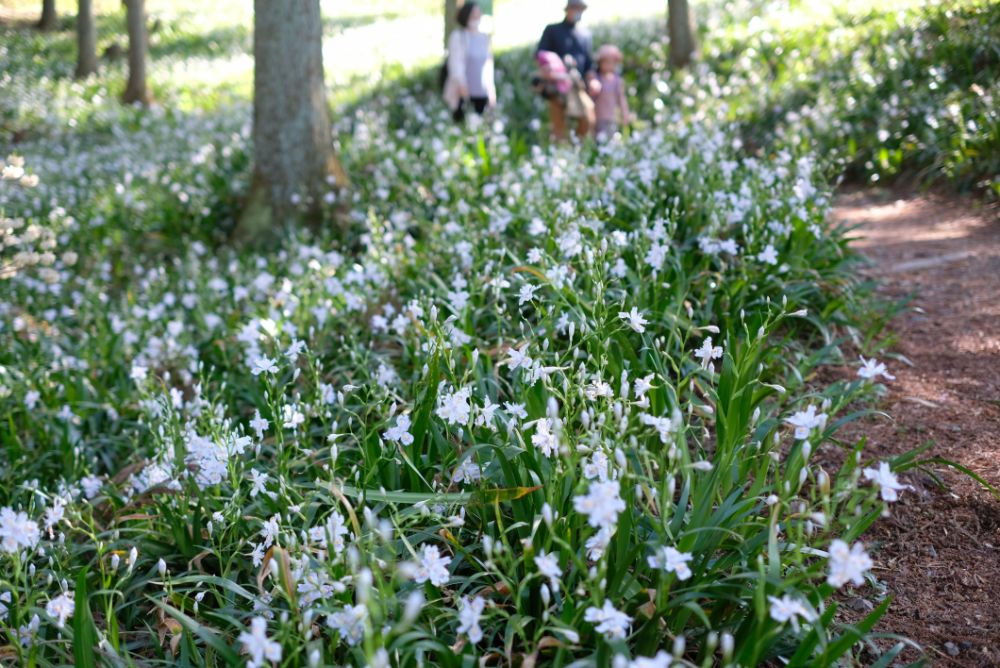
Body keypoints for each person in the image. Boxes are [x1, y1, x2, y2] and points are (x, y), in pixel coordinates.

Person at [536, 0, 597, 140]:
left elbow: (589, 63)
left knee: (588, 117)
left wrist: (592, 80)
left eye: (581, 9)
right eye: (575, 8)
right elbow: (540, 55)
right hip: (557, 86)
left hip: (577, 85)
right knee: (559, 126)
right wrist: (550, 72)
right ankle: (561, 154)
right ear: (568, 9)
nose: (578, 12)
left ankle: (578, 148)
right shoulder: (552, 30)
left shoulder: (585, 35)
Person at [443, 2, 496, 123]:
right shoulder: (458, 37)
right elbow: (455, 63)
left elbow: (488, 65)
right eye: (473, 13)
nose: (477, 16)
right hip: (464, 91)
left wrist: (491, 91)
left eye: (478, 13)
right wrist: (461, 84)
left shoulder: (484, 38)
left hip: (482, 92)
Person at [592, 44, 631, 139]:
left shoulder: (617, 80)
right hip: (598, 117)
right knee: (599, 139)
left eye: (611, 62)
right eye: (605, 62)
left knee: (612, 138)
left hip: (612, 117)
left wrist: (625, 113)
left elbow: (621, 98)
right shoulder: (596, 78)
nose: (608, 65)